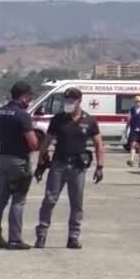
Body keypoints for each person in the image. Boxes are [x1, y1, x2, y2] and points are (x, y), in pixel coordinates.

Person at [34, 87, 104, 249]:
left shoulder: (89, 120)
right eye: (67, 101)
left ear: (79, 101)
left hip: (78, 167)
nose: (69, 104)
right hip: (58, 164)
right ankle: (41, 235)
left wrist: (100, 166)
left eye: (72, 101)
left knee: (76, 203)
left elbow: (99, 143)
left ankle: (73, 237)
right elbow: (46, 142)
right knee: (49, 200)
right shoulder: (58, 119)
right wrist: (40, 164)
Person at [0, 81, 40, 250]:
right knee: (18, 200)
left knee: (0, 199)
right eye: (29, 97)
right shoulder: (22, 114)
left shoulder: (0, 112)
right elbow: (33, 143)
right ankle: (15, 239)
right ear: (24, 96)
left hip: (3, 158)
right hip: (19, 161)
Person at [126, 96, 140, 168]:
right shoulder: (131, 110)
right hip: (134, 130)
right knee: (133, 145)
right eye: (137, 102)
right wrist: (126, 129)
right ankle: (131, 160)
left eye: (139, 102)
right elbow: (129, 120)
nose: (138, 103)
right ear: (134, 102)